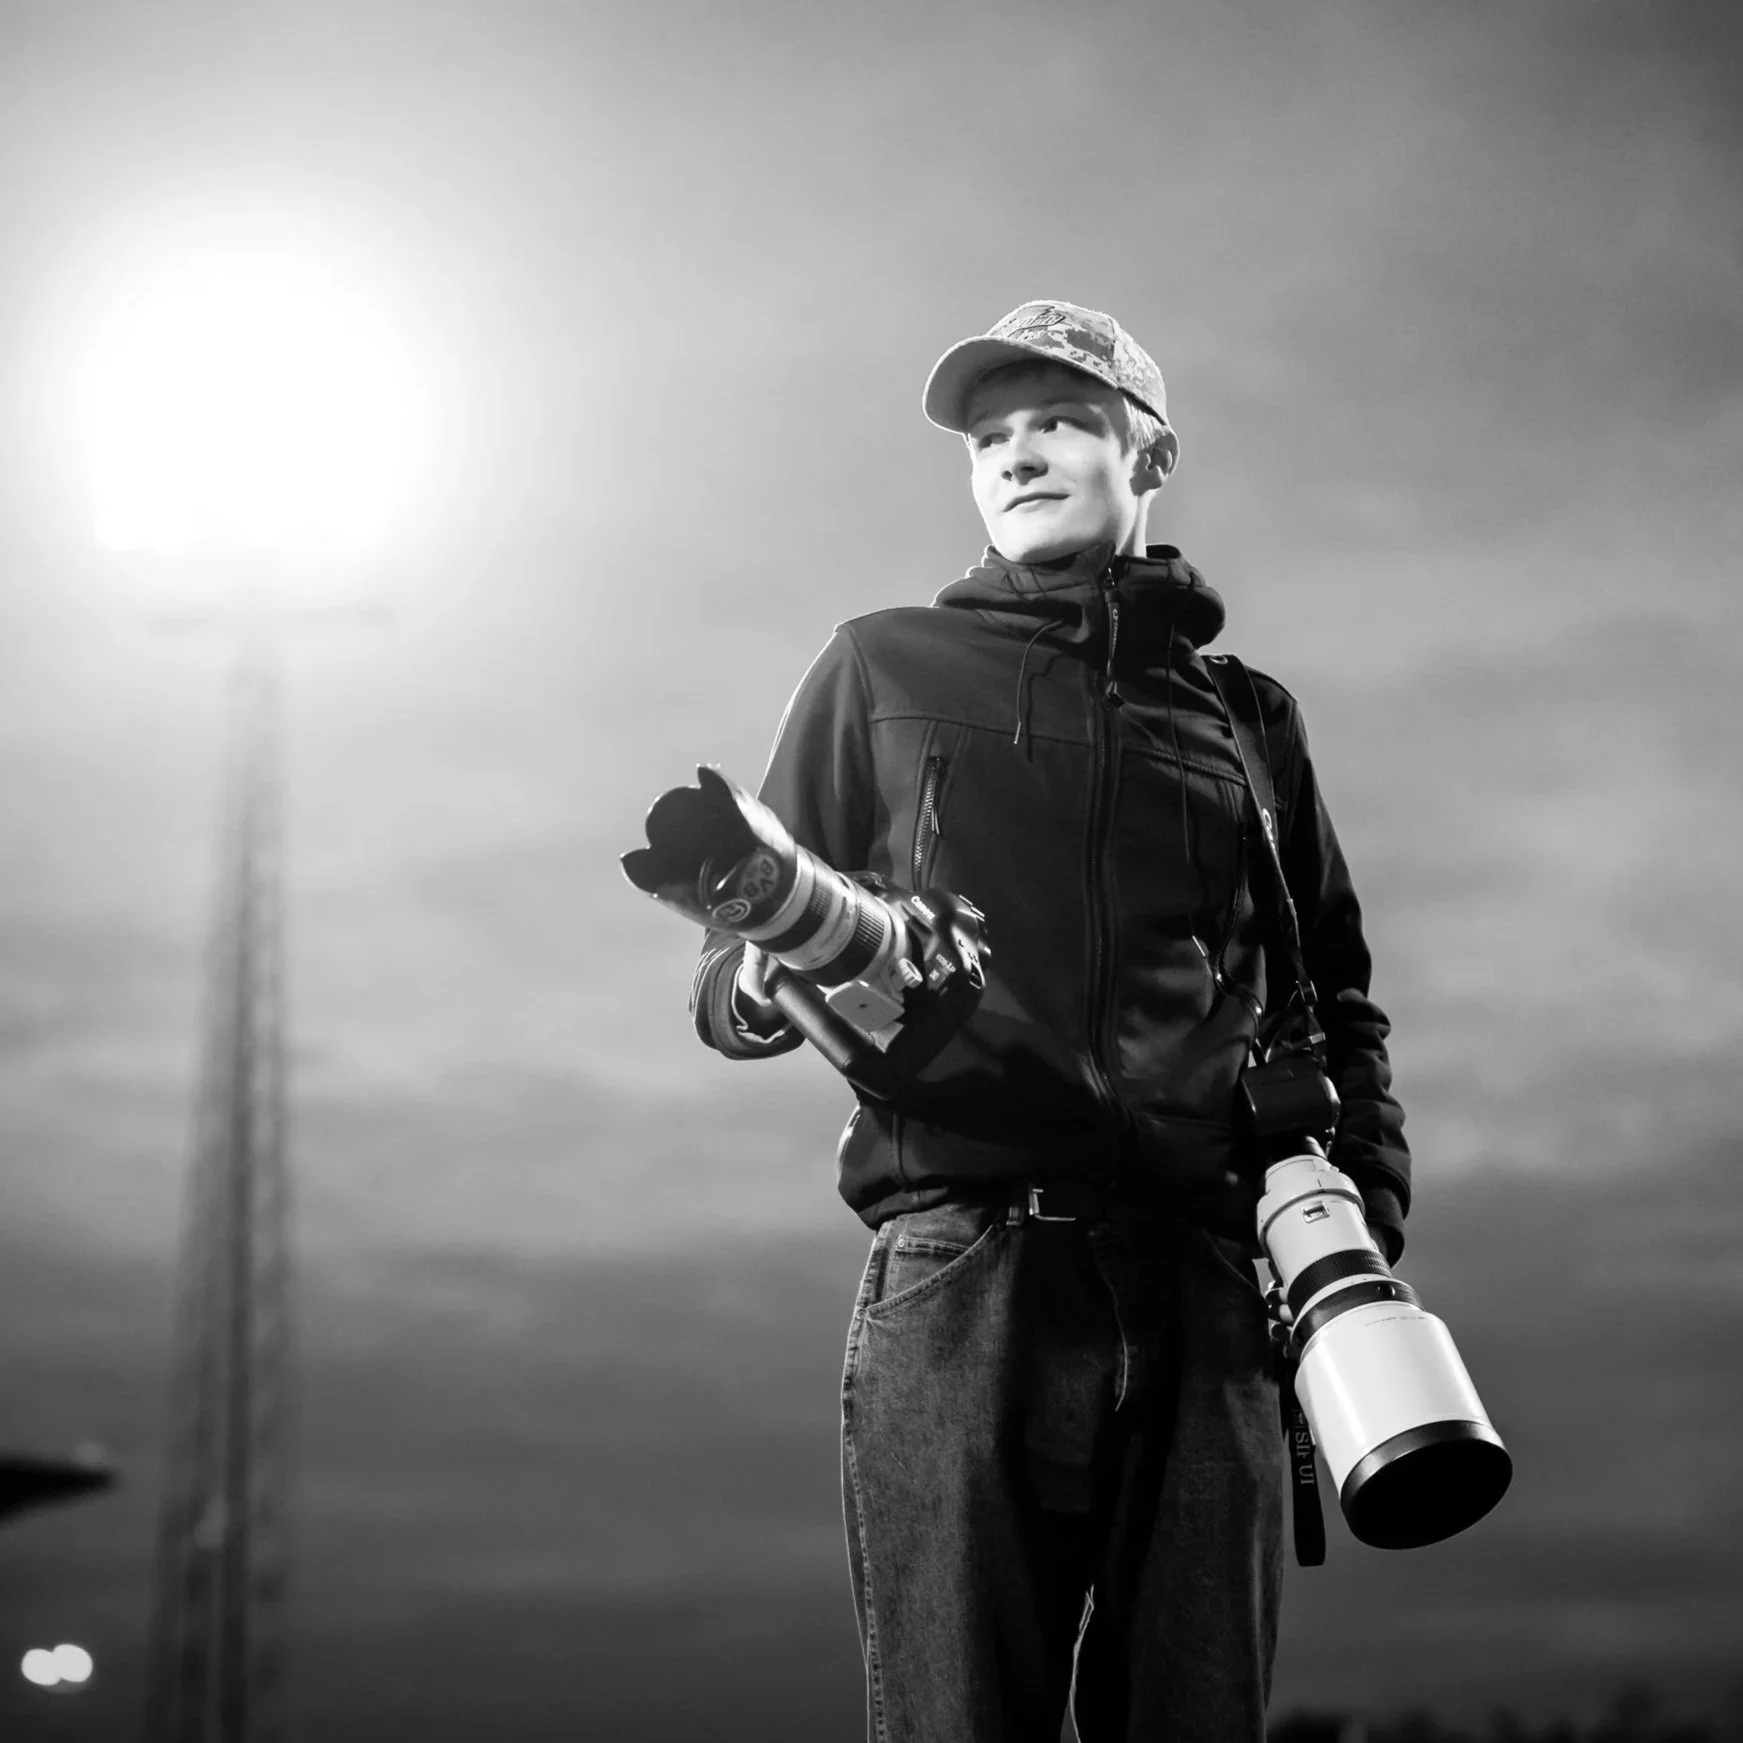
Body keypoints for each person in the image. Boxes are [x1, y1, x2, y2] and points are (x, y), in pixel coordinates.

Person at [688, 300, 1410, 1742]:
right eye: (990, 438)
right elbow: (724, 968)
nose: (1016, 456)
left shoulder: (1246, 717)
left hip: (1210, 1289)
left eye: (1060, 422)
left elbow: (1334, 990)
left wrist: (1356, 1220)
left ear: (1149, 452)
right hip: (967, 1275)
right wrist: (769, 974)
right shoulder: (879, 668)